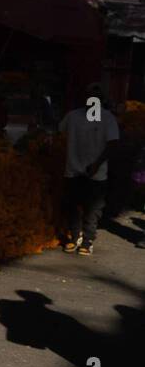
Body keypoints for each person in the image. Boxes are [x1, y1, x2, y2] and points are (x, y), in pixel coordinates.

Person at [59, 83, 119, 256]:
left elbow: (113, 143)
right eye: (89, 95)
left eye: (97, 96)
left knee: (92, 208)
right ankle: (75, 235)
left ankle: (87, 239)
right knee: (71, 204)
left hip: (97, 173)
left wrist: (97, 163)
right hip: (73, 169)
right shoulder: (73, 116)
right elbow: (60, 132)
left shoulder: (108, 119)